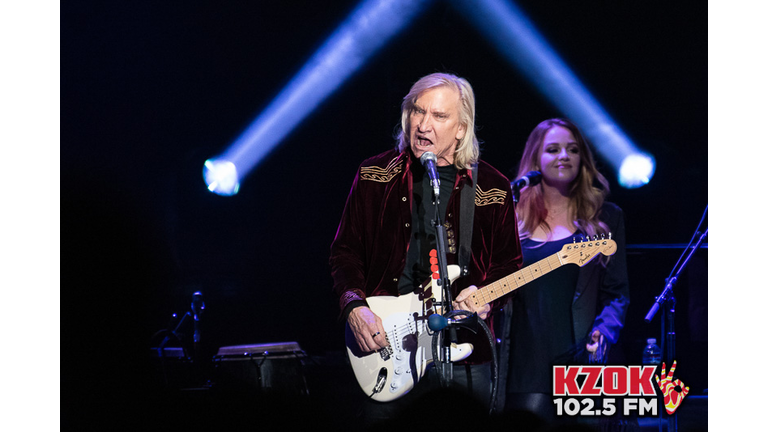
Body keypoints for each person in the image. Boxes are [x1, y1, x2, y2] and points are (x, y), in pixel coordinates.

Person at [329, 72, 523, 424]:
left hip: (464, 350)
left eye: (439, 116)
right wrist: (354, 307)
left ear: (461, 128)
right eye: (418, 112)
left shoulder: (492, 187)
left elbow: (509, 264)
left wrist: (485, 295)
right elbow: (345, 251)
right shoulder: (375, 174)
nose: (423, 125)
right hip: (387, 346)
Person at [496, 118, 630, 424]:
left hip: (579, 369)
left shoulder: (606, 217)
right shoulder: (510, 219)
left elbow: (617, 294)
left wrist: (604, 331)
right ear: (536, 159)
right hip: (523, 369)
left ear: (582, 158)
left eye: (572, 149)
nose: (563, 156)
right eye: (553, 149)